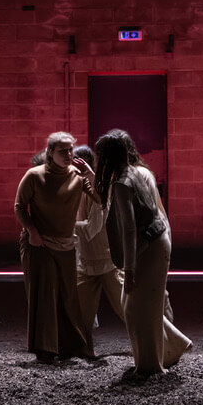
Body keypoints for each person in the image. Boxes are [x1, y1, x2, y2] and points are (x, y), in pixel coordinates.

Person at [94, 129, 192, 377]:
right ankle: (170, 348)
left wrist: (129, 269)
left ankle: (150, 366)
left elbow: (128, 229)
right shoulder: (142, 172)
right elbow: (158, 212)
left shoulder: (122, 183)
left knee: (137, 309)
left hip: (147, 246)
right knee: (143, 304)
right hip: (158, 240)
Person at [15, 132, 99, 363]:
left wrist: (90, 174)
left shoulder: (77, 176)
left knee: (68, 295)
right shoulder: (35, 175)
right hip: (39, 243)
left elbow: (101, 198)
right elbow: (20, 206)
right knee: (44, 295)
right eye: (63, 151)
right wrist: (32, 232)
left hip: (65, 244)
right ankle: (45, 349)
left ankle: (70, 346)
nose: (69, 154)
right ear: (50, 152)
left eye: (71, 150)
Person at [73, 144, 125, 339]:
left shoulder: (97, 189)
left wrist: (63, 227)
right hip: (87, 259)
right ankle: (83, 347)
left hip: (105, 259)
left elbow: (91, 229)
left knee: (127, 306)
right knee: (81, 310)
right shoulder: (80, 188)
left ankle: (164, 341)